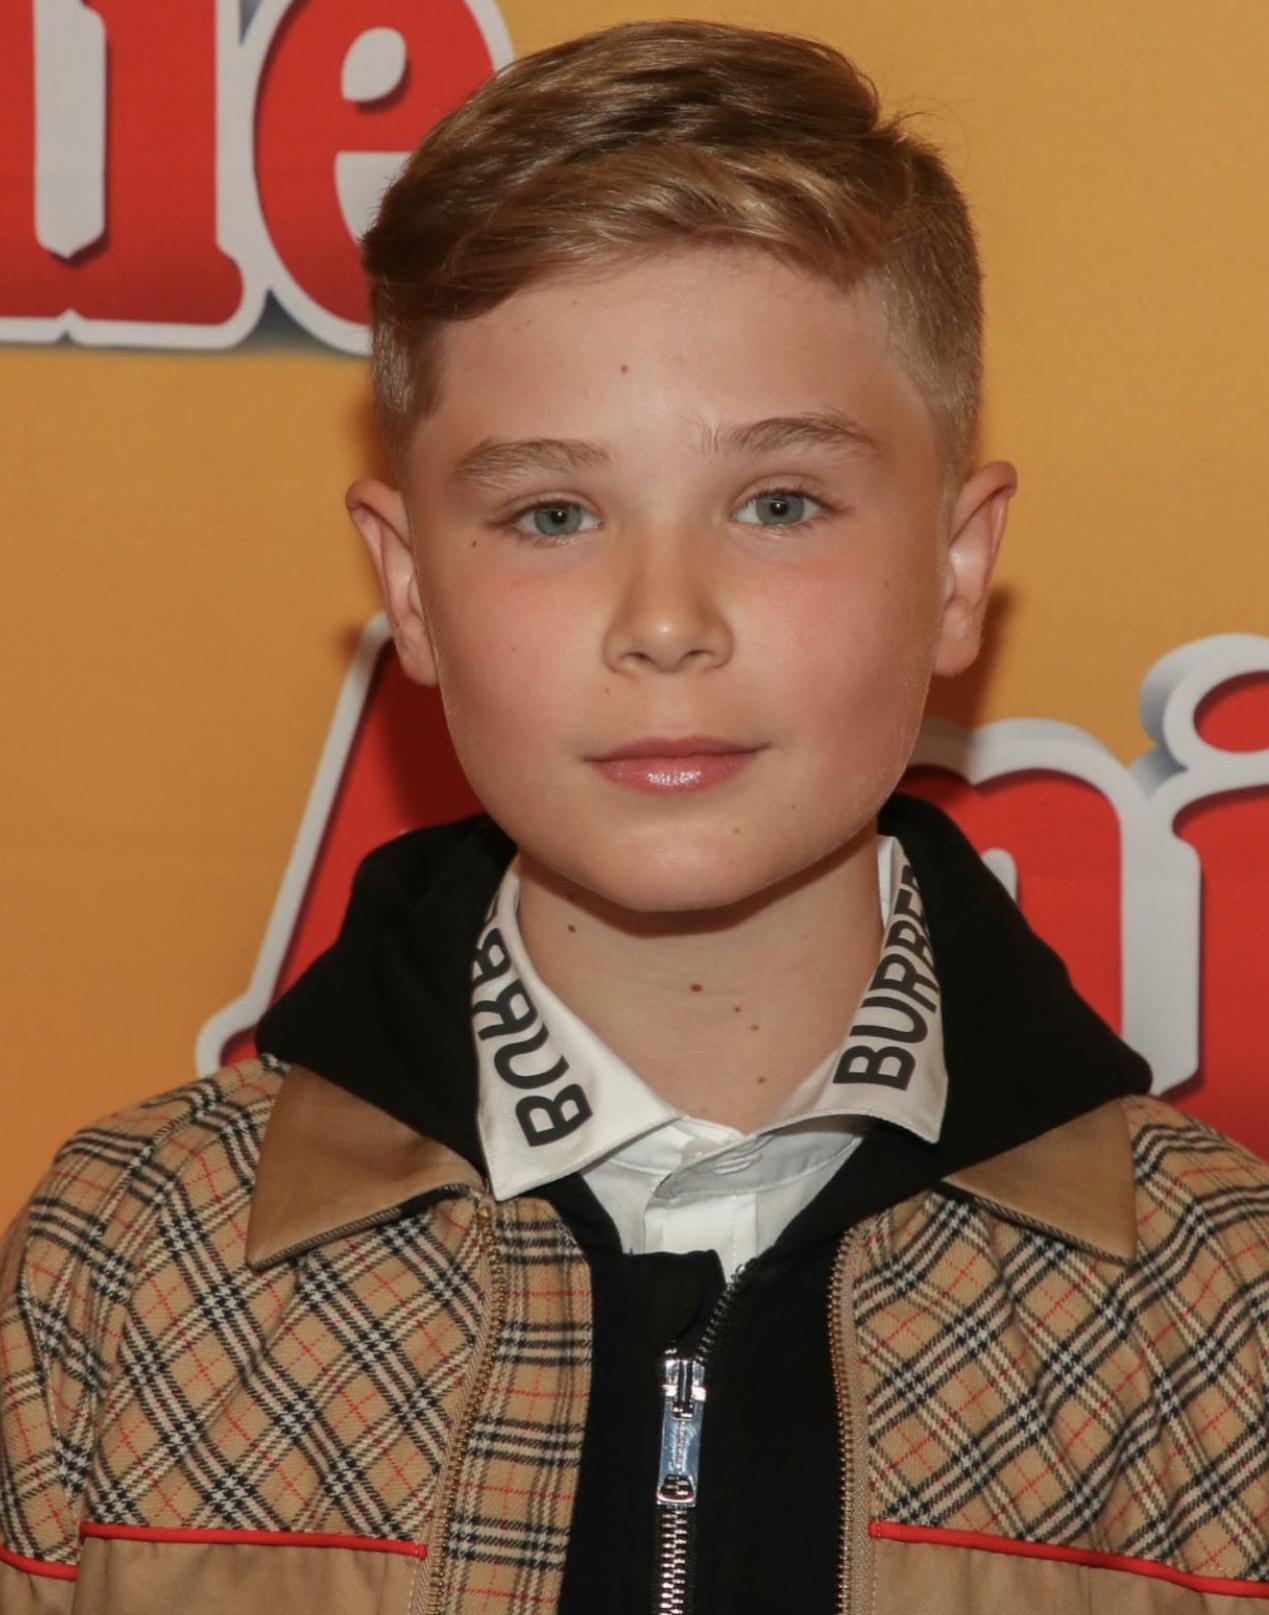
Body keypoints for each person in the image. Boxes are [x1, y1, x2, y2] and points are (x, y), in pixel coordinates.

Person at [2, 19, 1266, 1614]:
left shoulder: (1220, 1321)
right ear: (410, 587)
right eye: (552, 513)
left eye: (779, 503)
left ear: (955, 569)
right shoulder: (130, 1268)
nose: (664, 621)